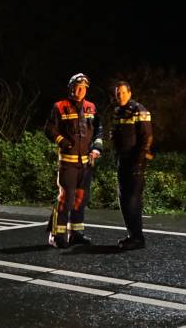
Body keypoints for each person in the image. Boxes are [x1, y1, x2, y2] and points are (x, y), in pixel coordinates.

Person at [45, 73, 103, 248]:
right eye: (77, 88)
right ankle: (56, 235)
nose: (80, 91)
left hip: (86, 163)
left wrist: (96, 148)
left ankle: (75, 233)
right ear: (71, 88)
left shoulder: (91, 108)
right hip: (68, 162)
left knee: (81, 199)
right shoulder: (60, 107)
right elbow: (50, 130)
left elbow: (99, 130)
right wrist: (63, 142)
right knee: (66, 199)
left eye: (84, 88)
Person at [111, 81, 153, 250]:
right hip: (122, 160)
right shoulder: (118, 112)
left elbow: (146, 137)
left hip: (135, 162)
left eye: (123, 92)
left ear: (129, 93)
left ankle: (137, 238)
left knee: (132, 199)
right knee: (124, 199)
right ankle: (132, 235)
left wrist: (139, 161)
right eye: (118, 93)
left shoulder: (139, 110)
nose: (120, 96)